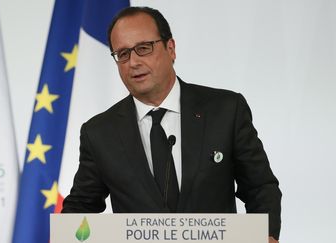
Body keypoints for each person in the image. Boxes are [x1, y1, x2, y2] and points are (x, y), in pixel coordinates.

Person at [62, 6, 282, 242]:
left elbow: (260, 187)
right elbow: (81, 205)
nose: (133, 62)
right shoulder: (99, 132)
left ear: (171, 49)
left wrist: (266, 235)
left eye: (143, 48)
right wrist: (66, 235)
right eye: (123, 54)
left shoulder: (226, 110)